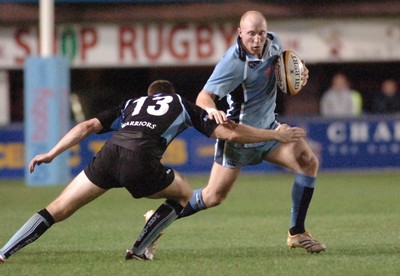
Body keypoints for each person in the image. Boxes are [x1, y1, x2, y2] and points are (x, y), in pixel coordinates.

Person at [0, 80, 306, 263]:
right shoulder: (181, 104)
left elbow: (86, 126)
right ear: (168, 93)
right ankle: (139, 249)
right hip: (140, 160)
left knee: (57, 209)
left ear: (150, 94)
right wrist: (275, 136)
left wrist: (51, 153)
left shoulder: (132, 104)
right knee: (186, 193)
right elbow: (229, 134)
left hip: (109, 154)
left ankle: (4, 252)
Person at [174, 10, 326, 254]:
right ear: (240, 33)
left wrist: (300, 75)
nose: (257, 40)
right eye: (251, 34)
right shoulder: (233, 63)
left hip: (269, 128)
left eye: (261, 33)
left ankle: (296, 232)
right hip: (240, 135)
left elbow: (288, 71)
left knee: (308, 162)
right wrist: (212, 111)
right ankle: (160, 216)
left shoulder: (275, 44)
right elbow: (204, 96)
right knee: (213, 197)